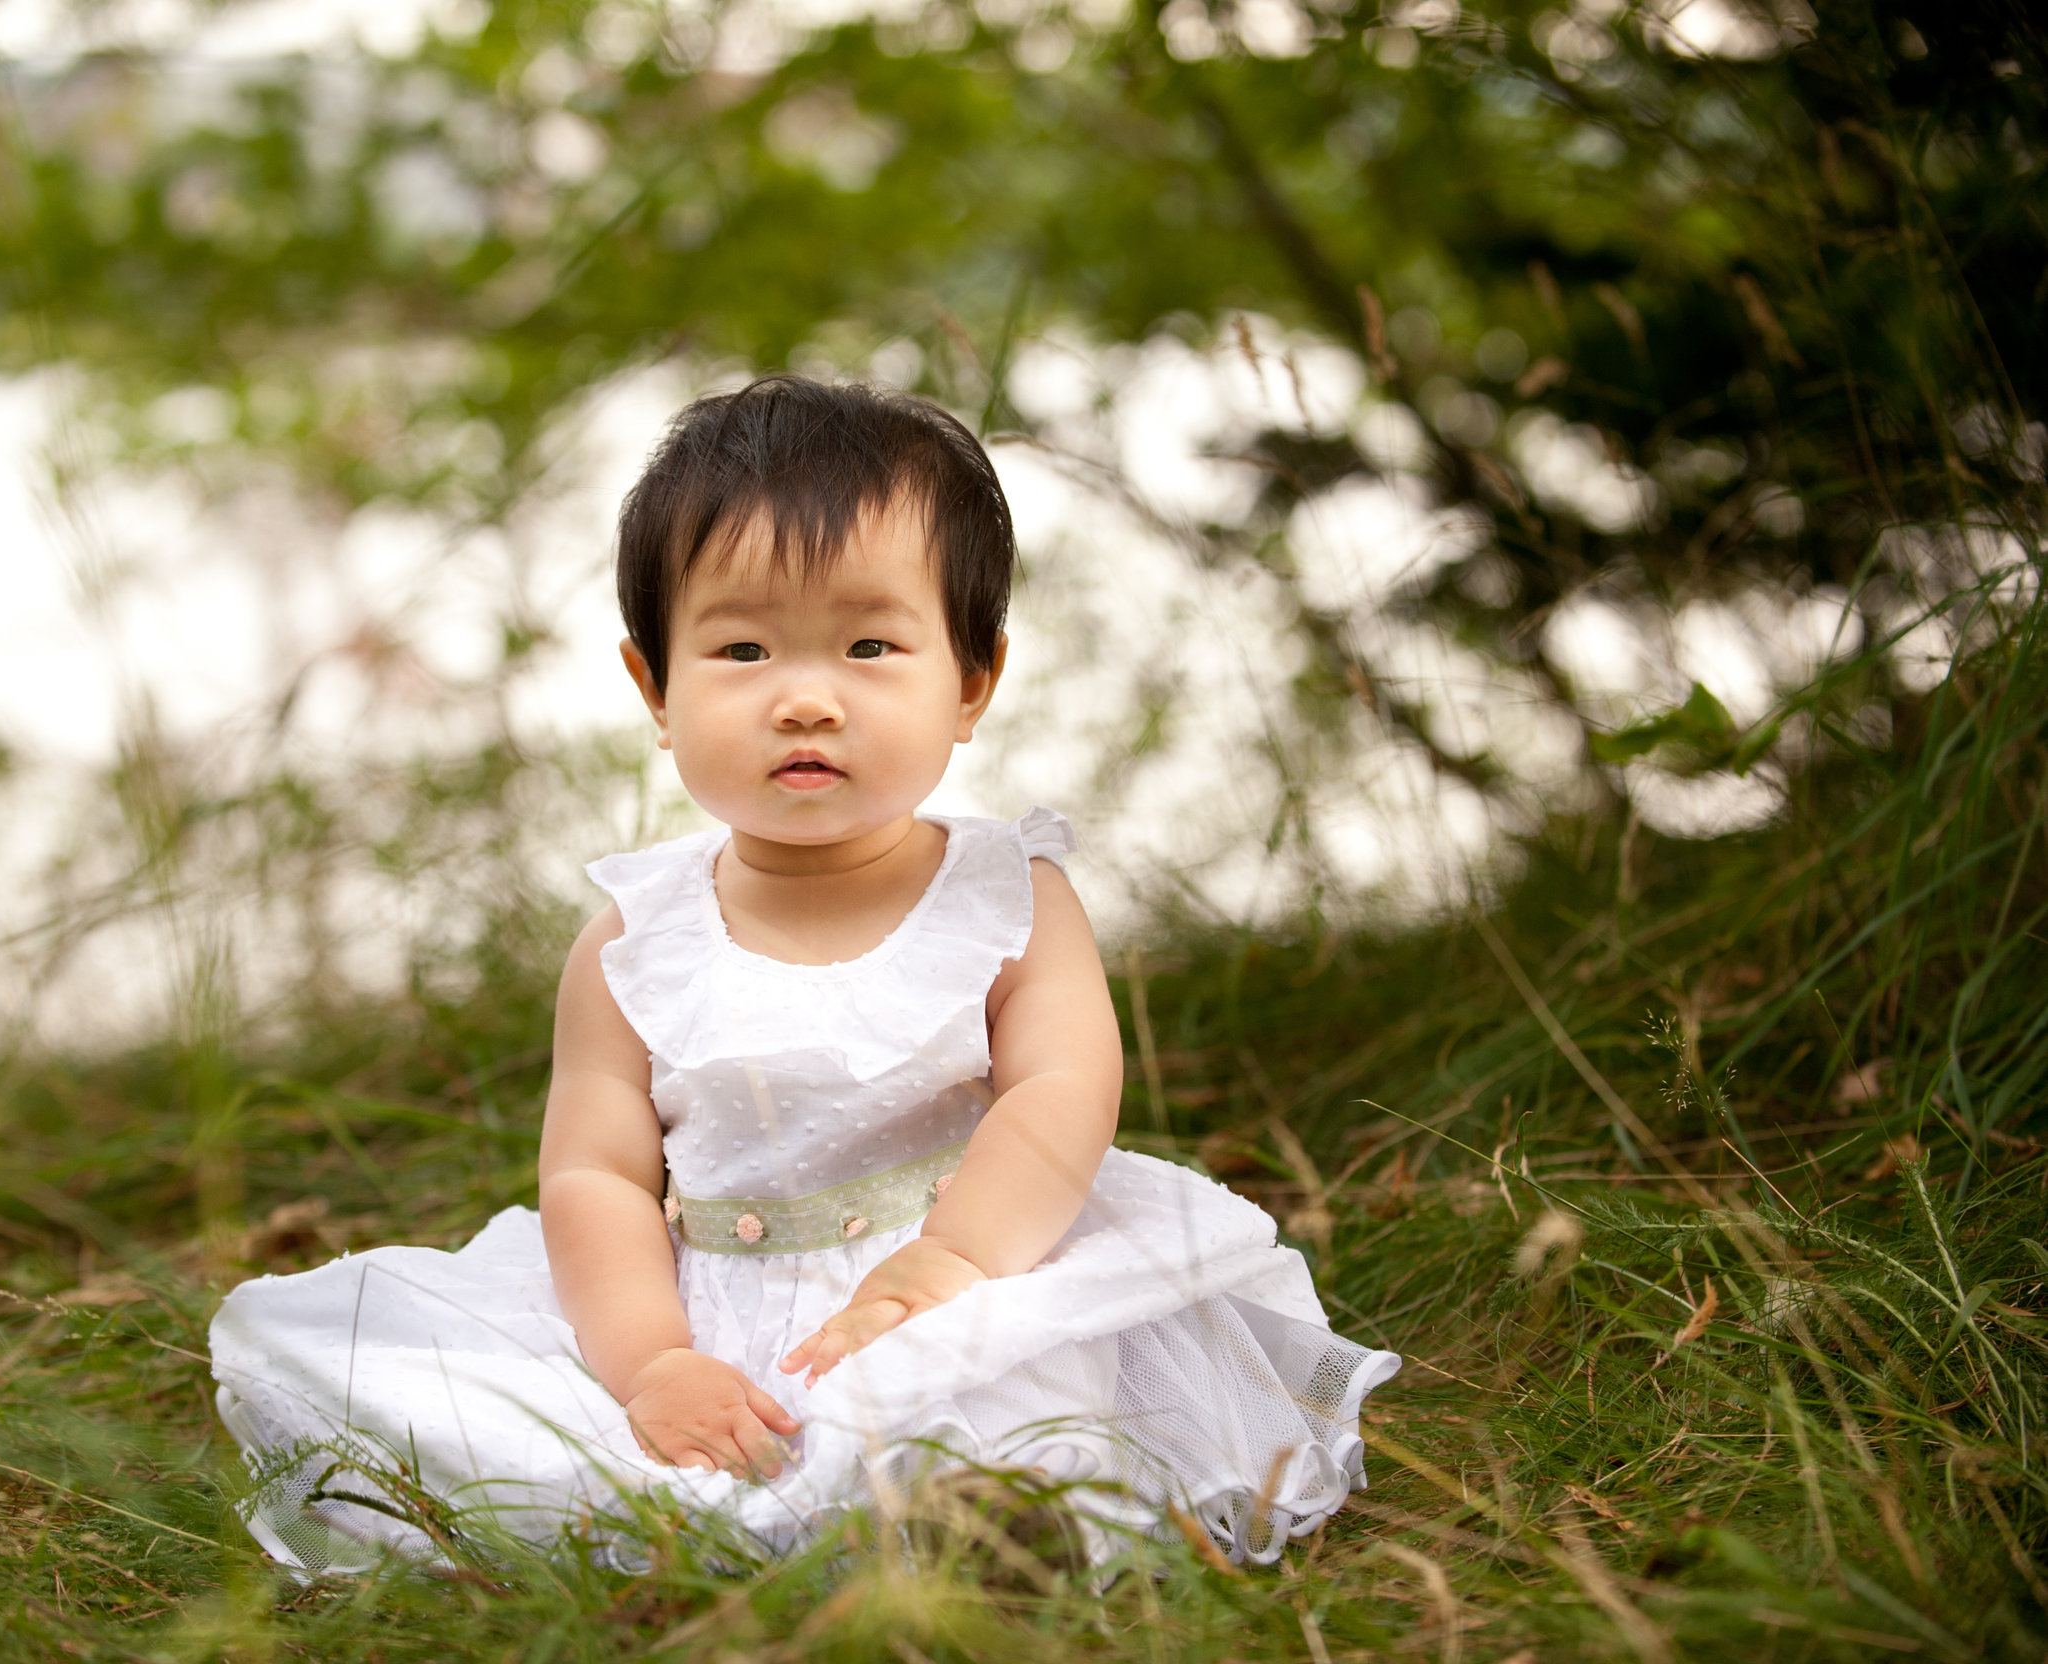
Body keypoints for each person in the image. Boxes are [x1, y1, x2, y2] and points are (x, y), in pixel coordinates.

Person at [208, 376, 1398, 1575]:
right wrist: (651, 1360)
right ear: (655, 690)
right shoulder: (635, 940)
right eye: (741, 647)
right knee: (445, 1398)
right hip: (709, 1310)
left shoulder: (1009, 897)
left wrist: (957, 1258)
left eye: (872, 644)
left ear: (972, 679)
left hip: (971, 1271)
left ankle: (981, 1515)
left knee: (989, 1404)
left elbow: (1061, 1092)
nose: (807, 696)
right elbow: (596, 1173)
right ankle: (719, 1484)